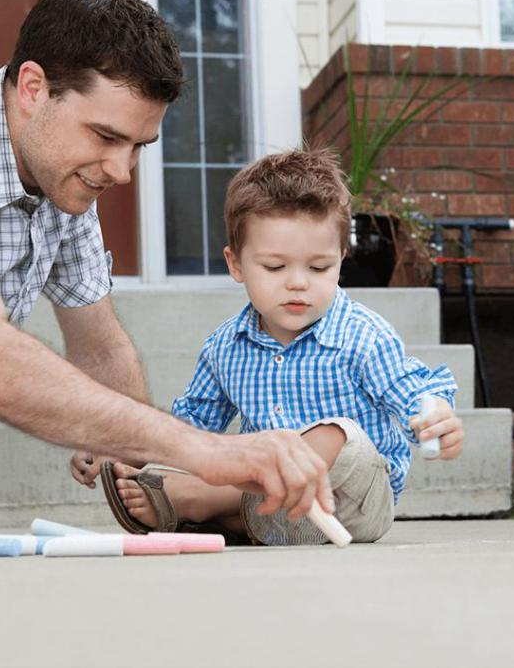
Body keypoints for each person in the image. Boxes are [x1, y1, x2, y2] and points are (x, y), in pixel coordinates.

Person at [0, 0, 332, 557]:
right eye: (106, 137)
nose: (122, 172)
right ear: (34, 89)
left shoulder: (63, 185)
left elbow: (100, 349)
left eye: (138, 147)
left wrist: (158, 483)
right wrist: (208, 451)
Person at [73, 148, 464, 545]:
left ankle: (206, 502)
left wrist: (435, 416)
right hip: (279, 512)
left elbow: (412, 389)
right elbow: (190, 429)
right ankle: (236, 519)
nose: (298, 283)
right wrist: (119, 448)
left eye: (319, 267)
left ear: (341, 261)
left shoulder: (362, 336)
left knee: (340, 435)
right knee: (211, 452)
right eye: (275, 267)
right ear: (236, 264)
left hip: (349, 504)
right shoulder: (225, 347)